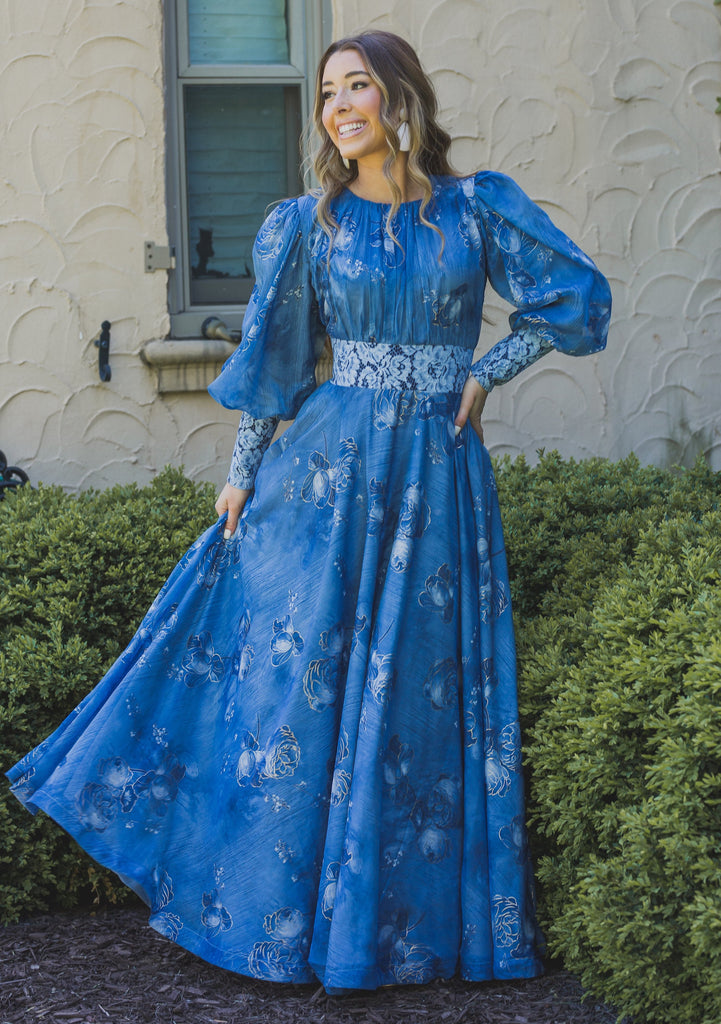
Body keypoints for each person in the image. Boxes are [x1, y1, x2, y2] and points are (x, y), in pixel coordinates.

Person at [7, 30, 610, 993]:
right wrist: (242, 473)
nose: (337, 106)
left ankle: (406, 934)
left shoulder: (473, 208)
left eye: (357, 86)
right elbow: (276, 366)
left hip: (438, 478)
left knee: (419, 689)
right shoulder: (306, 223)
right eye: (326, 91)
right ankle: (282, 919)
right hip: (327, 473)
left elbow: (575, 299)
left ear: (401, 99)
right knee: (307, 687)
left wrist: (486, 371)